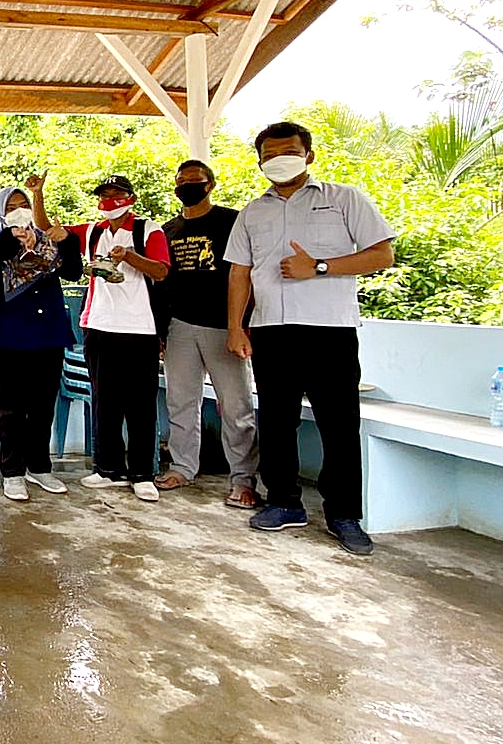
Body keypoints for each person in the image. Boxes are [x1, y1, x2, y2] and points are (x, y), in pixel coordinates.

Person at [226, 121, 396, 556]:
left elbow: (382, 254)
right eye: (270, 154)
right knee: (277, 421)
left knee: (339, 425)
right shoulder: (252, 213)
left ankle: (344, 514)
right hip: (270, 330)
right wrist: (235, 327)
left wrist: (319, 266)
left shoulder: (344, 200)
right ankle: (284, 502)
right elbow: (239, 273)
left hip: (330, 330)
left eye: (289, 151)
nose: (279, 159)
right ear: (260, 162)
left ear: (309, 155)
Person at [155, 160, 261, 508]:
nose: (187, 185)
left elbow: (247, 273)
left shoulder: (232, 221)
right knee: (181, 402)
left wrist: (244, 325)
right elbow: (162, 283)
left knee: (236, 406)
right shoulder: (168, 230)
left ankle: (243, 480)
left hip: (224, 327)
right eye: (181, 181)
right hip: (180, 327)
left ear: (210, 185)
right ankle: (183, 468)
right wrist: (161, 330)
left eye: (195, 181)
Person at [0, 173, 83, 503]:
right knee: (9, 408)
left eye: (24, 206)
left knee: (42, 406)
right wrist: (16, 235)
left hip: (48, 334)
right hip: (6, 336)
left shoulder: (50, 241)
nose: (20, 212)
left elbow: (74, 271)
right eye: (12, 208)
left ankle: (39, 467)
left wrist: (58, 235)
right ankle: (13, 472)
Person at [74, 174, 171, 502]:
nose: (109, 202)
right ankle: (107, 468)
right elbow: (51, 230)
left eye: (116, 196)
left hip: (139, 329)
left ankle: (143, 473)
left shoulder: (148, 230)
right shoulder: (93, 231)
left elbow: (160, 271)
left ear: (130, 197)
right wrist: (38, 195)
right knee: (105, 402)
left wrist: (129, 256)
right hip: (99, 326)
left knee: (141, 404)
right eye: (104, 196)